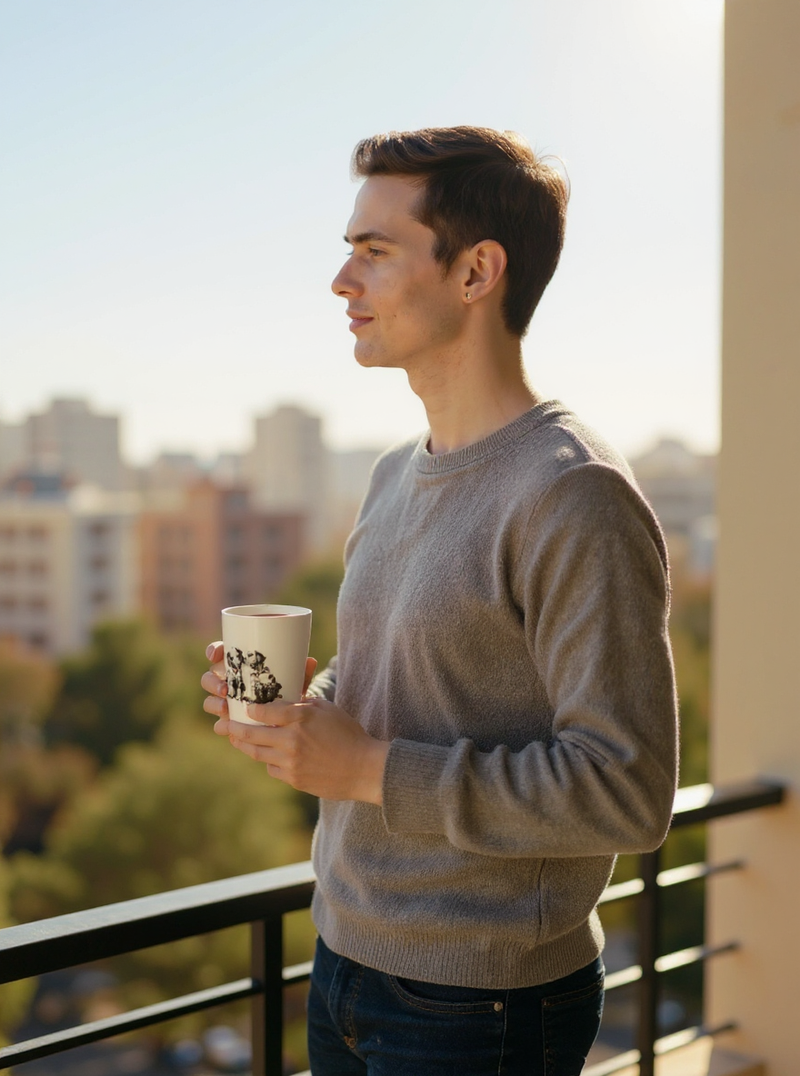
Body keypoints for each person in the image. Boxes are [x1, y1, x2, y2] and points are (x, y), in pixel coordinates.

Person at [202, 126, 678, 1075]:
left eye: (374, 252)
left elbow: (627, 791)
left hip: (482, 1003)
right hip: (343, 960)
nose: (342, 281)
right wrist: (306, 713)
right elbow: (400, 685)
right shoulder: (390, 475)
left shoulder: (572, 491)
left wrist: (371, 767)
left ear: (475, 273)